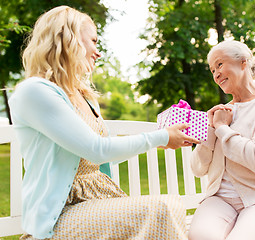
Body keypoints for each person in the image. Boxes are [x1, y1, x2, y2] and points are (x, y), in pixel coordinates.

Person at [9, 5, 199, 240]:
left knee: (172, 205)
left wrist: (157, 141)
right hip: (58, 217)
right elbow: (97, 150)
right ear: (68, 38)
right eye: (94, 41)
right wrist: (159, 137)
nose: (98, 52)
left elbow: (99, 154)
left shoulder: (83, 95)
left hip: (96, 203)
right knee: (159, 209)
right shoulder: (35, 92)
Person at [188, 40, 255, 240]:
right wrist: (210, 130)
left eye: (219, 64)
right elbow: (197, 169)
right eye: (212, 70)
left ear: (243, 62)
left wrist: (222, 129)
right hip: (219, 200)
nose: (216, 74)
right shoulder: (220, 114)